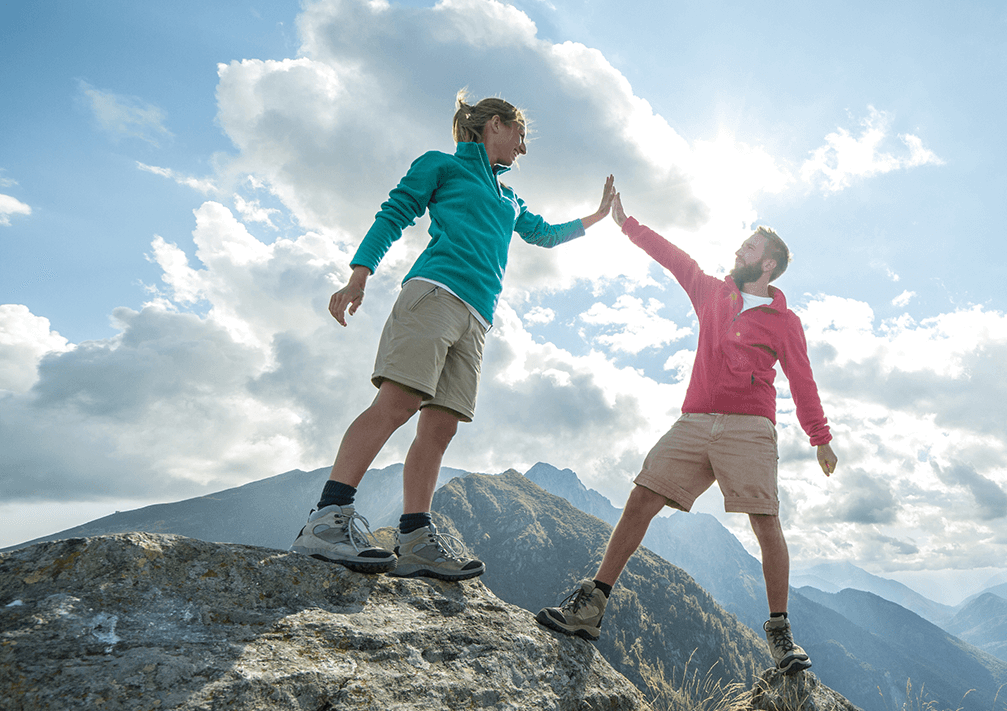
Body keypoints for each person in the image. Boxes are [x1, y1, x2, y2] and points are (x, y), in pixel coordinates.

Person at [290, 90, 614, 581]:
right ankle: (326, 519)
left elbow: (543, 234)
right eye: (521, 136)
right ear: (497, 125)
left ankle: (416, 539)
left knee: (440, 429)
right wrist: (360, 273)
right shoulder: (441, 165)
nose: (523, 150)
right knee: (396, 404)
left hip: (477, 317)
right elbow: (395, 212)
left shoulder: (509, 197)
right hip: (435, 295)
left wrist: (596, 217)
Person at [536, 190, 838, 675]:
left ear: (770, 265)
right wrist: (627, 224)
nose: (740, 250)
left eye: (750, 248)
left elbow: (802, 380)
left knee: (765, 522)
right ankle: (592, 605)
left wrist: (819, 436)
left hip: (750, 428)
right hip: (695, 422)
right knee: (640, 499)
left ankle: (780, 634)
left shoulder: (786, 323)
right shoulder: (712, 293)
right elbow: (675, 259)